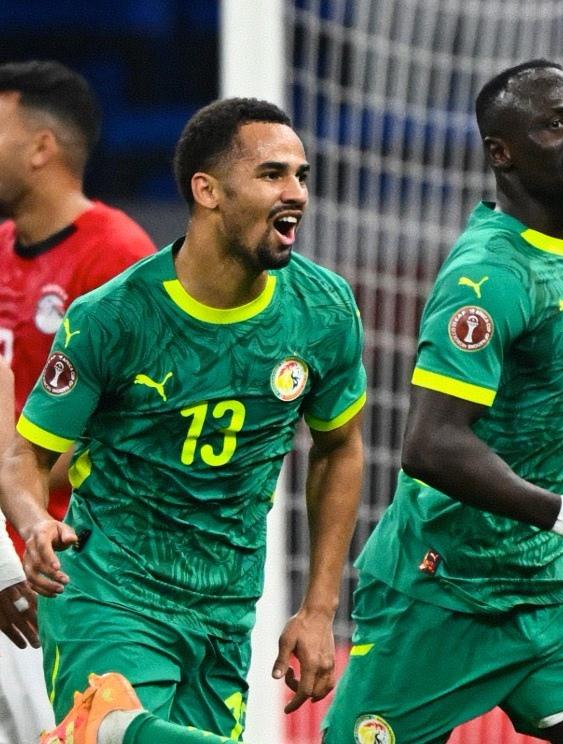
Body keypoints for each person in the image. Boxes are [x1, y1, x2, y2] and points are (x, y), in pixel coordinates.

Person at [323, 60, 563, 744]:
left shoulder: (561, 249)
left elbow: (531, 405)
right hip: (443, 586)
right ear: (501, 153)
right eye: (556, 123)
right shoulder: (489, 275)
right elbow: (432, 445)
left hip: (549, 583)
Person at [0, 97, 367, 744]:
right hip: (110, 593)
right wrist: (33, 524)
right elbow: (25, 456)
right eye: (272, 174)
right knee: (113, 730)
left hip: (224, 612)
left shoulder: (324, 309)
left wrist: (318, 608)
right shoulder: (112, 317)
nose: (296, 193)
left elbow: (339, 449)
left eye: (301, 175)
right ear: (208, 191)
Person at [0, 59, 155, 744]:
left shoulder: (117, 254)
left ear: (41, 146)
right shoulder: (1, 248)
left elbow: (129, 426)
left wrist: (16, 485)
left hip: (66, 568)